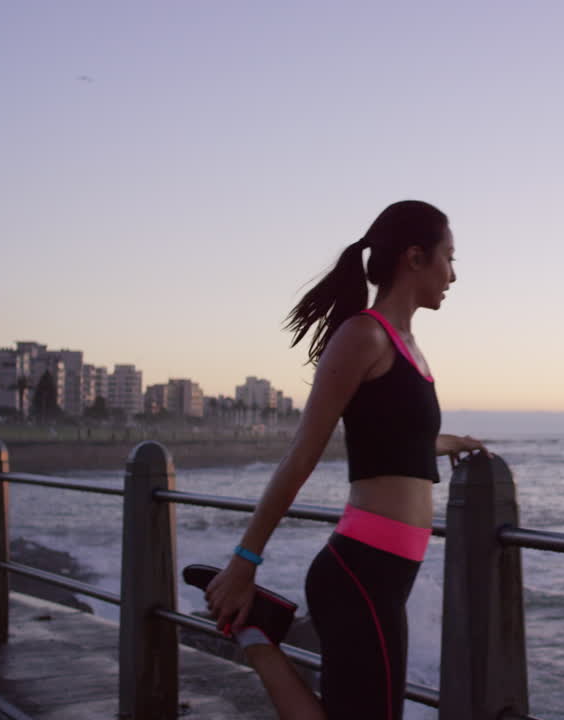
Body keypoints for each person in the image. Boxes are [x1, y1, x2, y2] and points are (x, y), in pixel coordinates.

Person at [187, 200, 487, 720]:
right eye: (449, 258)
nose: (454, 275)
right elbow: (301, 454)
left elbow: (394, 439)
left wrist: (450, 441)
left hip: (391, 575)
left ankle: (258, 628)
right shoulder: (362, 335)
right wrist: (244, 563)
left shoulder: (409, 345)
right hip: (359, 571)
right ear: (415, 258)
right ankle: (255, 635)